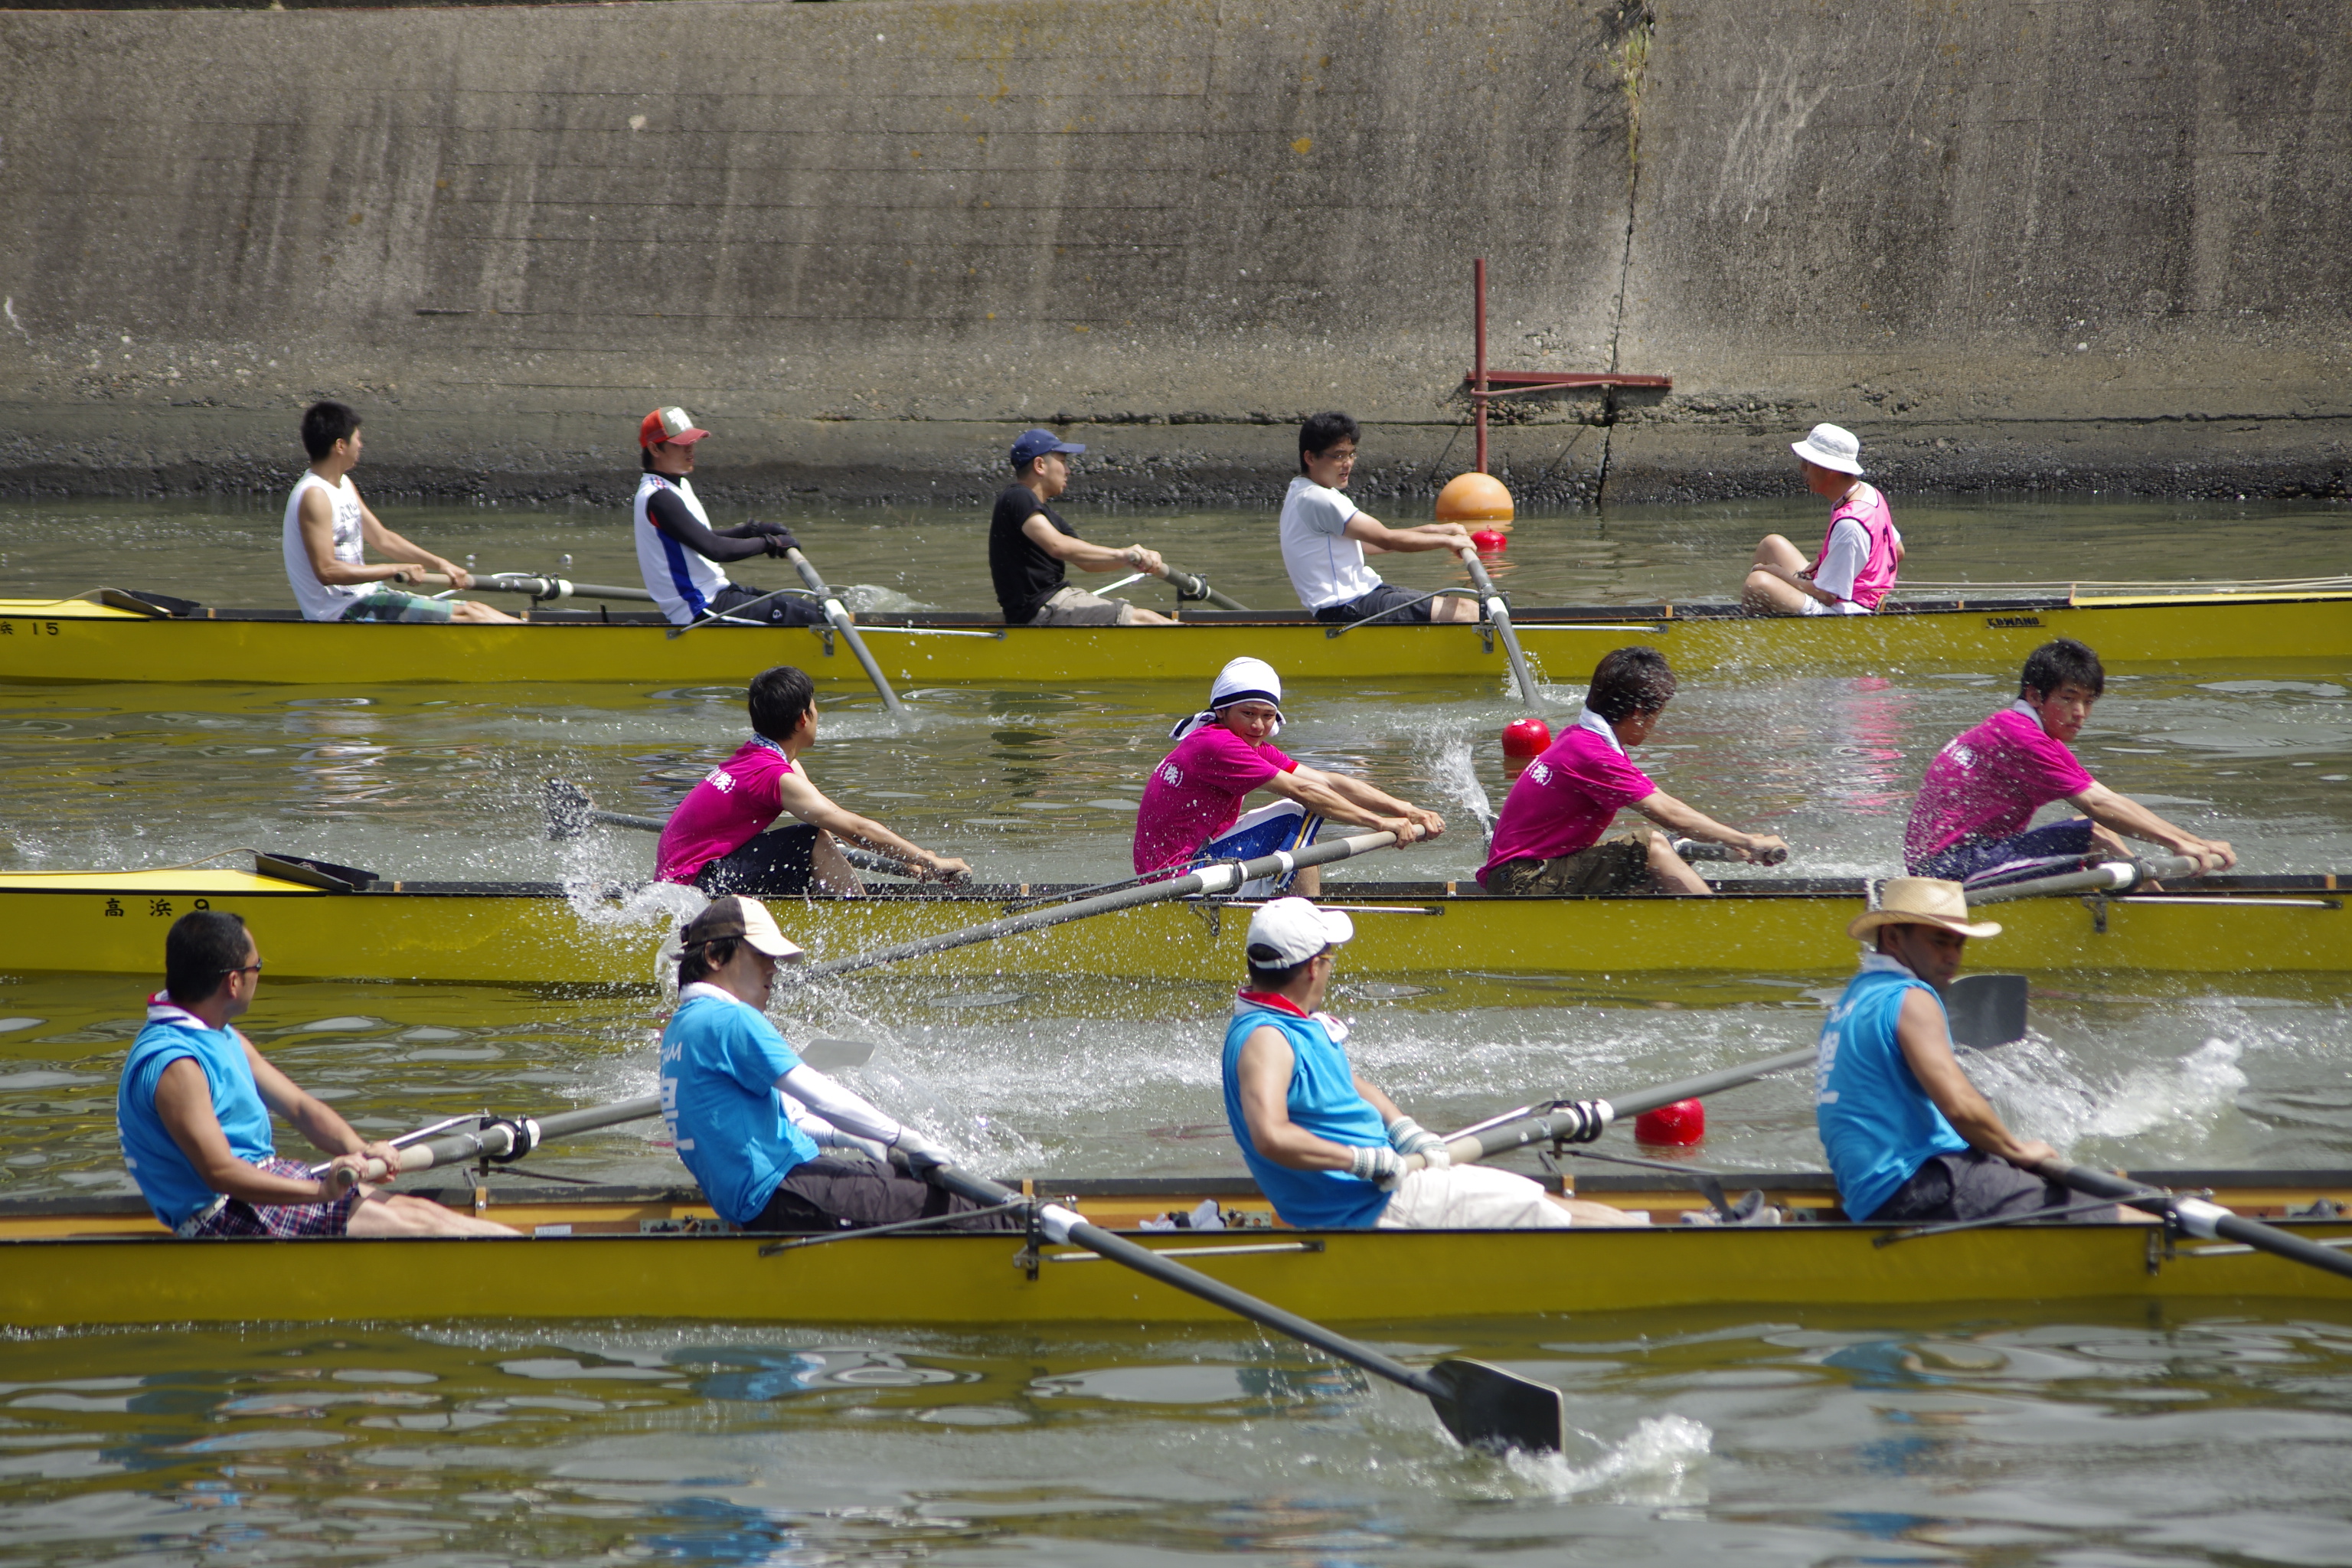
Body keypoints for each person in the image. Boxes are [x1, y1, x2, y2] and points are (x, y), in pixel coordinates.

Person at [1221, 899, 1643, 1230]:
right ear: (1314, 968)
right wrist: (1362, 1160)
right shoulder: (1267, 1040)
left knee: (1541, 1203)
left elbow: (1346, 1083)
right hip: (1368, 1207)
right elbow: (1272, 1136)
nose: (1332, 966)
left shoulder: (1294, 1023)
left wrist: (1403, 1127)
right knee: (1546, 1213)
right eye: (1331, 958)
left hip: (1387, 1186)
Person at [116, 910, 516, 1238]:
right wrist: (318, 1192)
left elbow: (300, 1108)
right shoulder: (178, 1066)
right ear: (233, 982)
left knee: (420, 1212)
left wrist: (360, 1149)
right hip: (220, 1214)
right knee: (423, 1227)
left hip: (259, 1181)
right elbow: (220, 1173)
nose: (260, 974)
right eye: (257, 966)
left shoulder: (215, 1032)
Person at [658, 897, 1022, 1233]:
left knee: (907, 1180)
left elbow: (793, 1116)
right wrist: (908, 1140)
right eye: (760, 955)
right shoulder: (730, 1019)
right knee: (973, 1210)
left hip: (762, 1193)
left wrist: (851, 1136)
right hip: (781, 1191)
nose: (774, 968)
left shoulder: (683, 1027)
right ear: (714, 957)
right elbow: (822, 1098)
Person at [1814, 877, 2106, 1225]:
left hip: (1878, 1192)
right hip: (1921, 1184)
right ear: (1893, 937)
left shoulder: (1853, 998)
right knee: (2117, 1215)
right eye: (1939, 942)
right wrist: (2016, 1150)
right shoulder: (1912, 998)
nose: (1953, 957)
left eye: (1959, 944)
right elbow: (1961, 1107)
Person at [1903, 638, 2236, 884]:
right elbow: (2096, 804)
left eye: (2088, 702)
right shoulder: (2021, 737)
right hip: (1941, 873)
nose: (2080, 714)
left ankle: (2148, 898)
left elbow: (2107, 798)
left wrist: (2195, 843)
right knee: (2094, 835)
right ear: (2034, 696)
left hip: (1965, 856)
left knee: (2089, 830)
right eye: (2068, 699)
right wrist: (2180, 843)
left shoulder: (2026, 730)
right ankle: (2157, 914)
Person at [1478, 646, 1788, 895]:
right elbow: (1669, 813)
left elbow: (1667, 802)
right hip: (1522, 882)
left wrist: (1731, 839)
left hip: (1532, 872)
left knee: (1666, 849)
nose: (1655, 725)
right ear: (1639, 713)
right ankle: (1718, 931)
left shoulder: (1579, 737)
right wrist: (1748, 842)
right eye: (1657, 715)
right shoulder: (1591, 754)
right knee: (1650, 845)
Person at [1133, 657, 1445, 898]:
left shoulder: (1243, 743)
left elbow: (1329, 782)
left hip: (1180, 868)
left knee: (1304, 818)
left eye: (1267, 716)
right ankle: (1305, 921)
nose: (1258, 725)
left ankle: (1292, 905)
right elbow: (1303, 791)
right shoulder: (1217, 744)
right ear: (1222, 713)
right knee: (1297, 812)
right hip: (1176, 880)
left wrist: (1405, 810)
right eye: (1249, 714)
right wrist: (1379, 823)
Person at [655, 665, 971, 896]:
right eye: (815, 708)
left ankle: (836, 907)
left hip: (690, 876)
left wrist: (915, 862)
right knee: (811, 840)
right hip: (693, 888)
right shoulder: (775, 775)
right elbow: (857, 829)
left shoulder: (760, 756)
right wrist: (936, 864)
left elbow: (839, 822)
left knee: (819, 835)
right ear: (803, 718)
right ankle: (860, 927)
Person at [283, 400, 522, 626]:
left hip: (368, 597)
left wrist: (440, 564)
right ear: (340, 445)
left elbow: (383, 538)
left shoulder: (343, 484)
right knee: (471, 617)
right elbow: (327, 571)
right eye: (358, 439)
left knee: (475, 608)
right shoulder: (314, 496)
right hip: (342, 611)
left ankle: (539, 633)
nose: (361, 445)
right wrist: (395, 569)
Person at [633, 405, 828, 629]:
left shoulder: (677, 484)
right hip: (699, 608)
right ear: (655, 450)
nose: (691, 449)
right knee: (814, 619)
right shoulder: (659, 497)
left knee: (813, 610)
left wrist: (751, 531)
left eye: (692, 442)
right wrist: (770, 543)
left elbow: (699, 537)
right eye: (681, 444)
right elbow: (715, 549)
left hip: (717, 593)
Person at [1280, 412, 1480, 624]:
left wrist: (1437, 530)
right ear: (1310, 458)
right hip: (1347, 607)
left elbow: (1370, 544)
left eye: (1351, 454)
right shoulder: (1318, 498)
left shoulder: (1301, 490)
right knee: (1468, 611)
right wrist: (1448, 541)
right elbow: (1386, 539)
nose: (1348, 464)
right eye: (1339, 456)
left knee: (1466, 607)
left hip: (1363, 595)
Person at [988, 428, 1174, 626]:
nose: (1068, 471)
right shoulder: (1017, 496)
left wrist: (1134, 562)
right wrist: (1123, 554)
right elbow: (1057, 546)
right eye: (1062, 461)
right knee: (1145, 619)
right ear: (1040, 465)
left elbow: (1089, 563)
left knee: (1142, 616)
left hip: (1053, 604)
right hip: (1041, 609)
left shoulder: (1050, 518)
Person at [1742, 423, 1904, 616]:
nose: (1802, 468)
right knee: (1771, 545)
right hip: (1842, 595)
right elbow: (1898, 551)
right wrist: (1839, 564)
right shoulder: (1869, 493)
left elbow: (1826, 595)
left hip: (1848, 612)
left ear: (1830, 470)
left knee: (1757, 583)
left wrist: (1779, 575)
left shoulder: (1850, 524)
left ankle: (1761, 638)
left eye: (1808, 462)